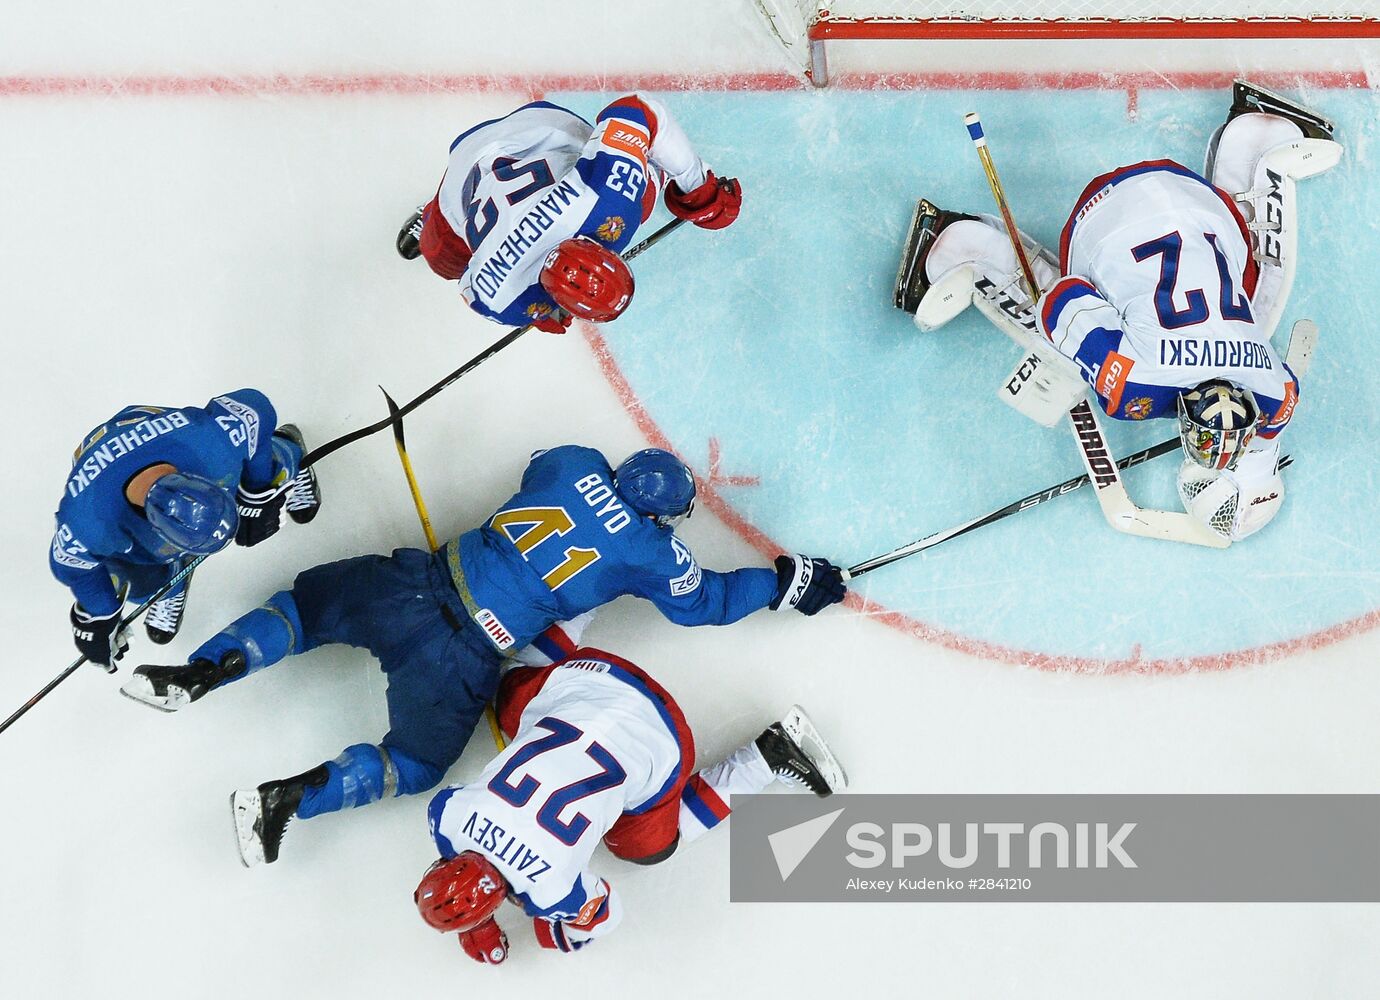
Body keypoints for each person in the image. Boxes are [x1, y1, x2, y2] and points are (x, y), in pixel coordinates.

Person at [120, 446, 847, 865]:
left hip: (415, 580)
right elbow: (709, 602)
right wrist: (787, 583)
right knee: (414, 766)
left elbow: (542, 467)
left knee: (302, 609)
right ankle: (286, 799)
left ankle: (203, 668)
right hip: (464, 654)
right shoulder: (652, 548)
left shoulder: (575, 463)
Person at [894, 80, 1342, 542]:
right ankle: (965, 247)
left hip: (1192, 195)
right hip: (1101, 209)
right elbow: (1064, 300)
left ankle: (1253, 144)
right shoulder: (1130, 390)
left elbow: (1271, 428)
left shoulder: (1277, 392)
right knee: (1059, 342)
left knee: (1254, 298)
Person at [415, 644, 846, 964]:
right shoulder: (446, 817)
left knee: (650, 848)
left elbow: (606, 913)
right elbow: (463, 842)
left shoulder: (551, 893)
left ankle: (769, 756)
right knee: (506, 695)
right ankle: (576, 601)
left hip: (663, 734)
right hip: (592, 673)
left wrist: (545, 931)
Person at [396, 94, 742, 332]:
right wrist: (537, 311)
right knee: (442, 256)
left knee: (639, 188)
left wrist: (697, 185)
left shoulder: (604, 199)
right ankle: (430, 213)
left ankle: (434, 221)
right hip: (483, 161)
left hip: (532, 134)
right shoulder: (498, 300)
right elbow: (468, 282)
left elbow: (639, 109)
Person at [50, 389, 322, 663]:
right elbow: (76, 568)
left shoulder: (212, 443)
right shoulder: (88, 524)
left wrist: (259, 489)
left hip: (162, 437)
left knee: (251, 466)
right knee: (138, 577)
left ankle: (290, 455)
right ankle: (170, 578)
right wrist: (99, 613)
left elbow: (256, 408)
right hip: (103, 472)